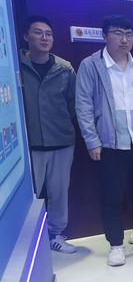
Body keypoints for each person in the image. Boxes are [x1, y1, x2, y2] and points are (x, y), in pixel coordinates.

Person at [76, 14, 133, 266]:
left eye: (128, 34)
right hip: (109, 144)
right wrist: (91, 140)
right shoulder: (91, 65)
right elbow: (83, 105)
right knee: (111, 196)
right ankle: (115, 244)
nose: (124, 40)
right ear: (105, 36)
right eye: (118, 33)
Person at [19, 15, 77, 253]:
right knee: (27, 196)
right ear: (26, 36)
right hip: (28, 145)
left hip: (61, 142)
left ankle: (56, 235)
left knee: (58, 193)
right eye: (38, 32)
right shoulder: (17, 67)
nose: (44, 38)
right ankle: (26, 242)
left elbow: (74, 104)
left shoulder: (64, 68)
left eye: (48, 34)